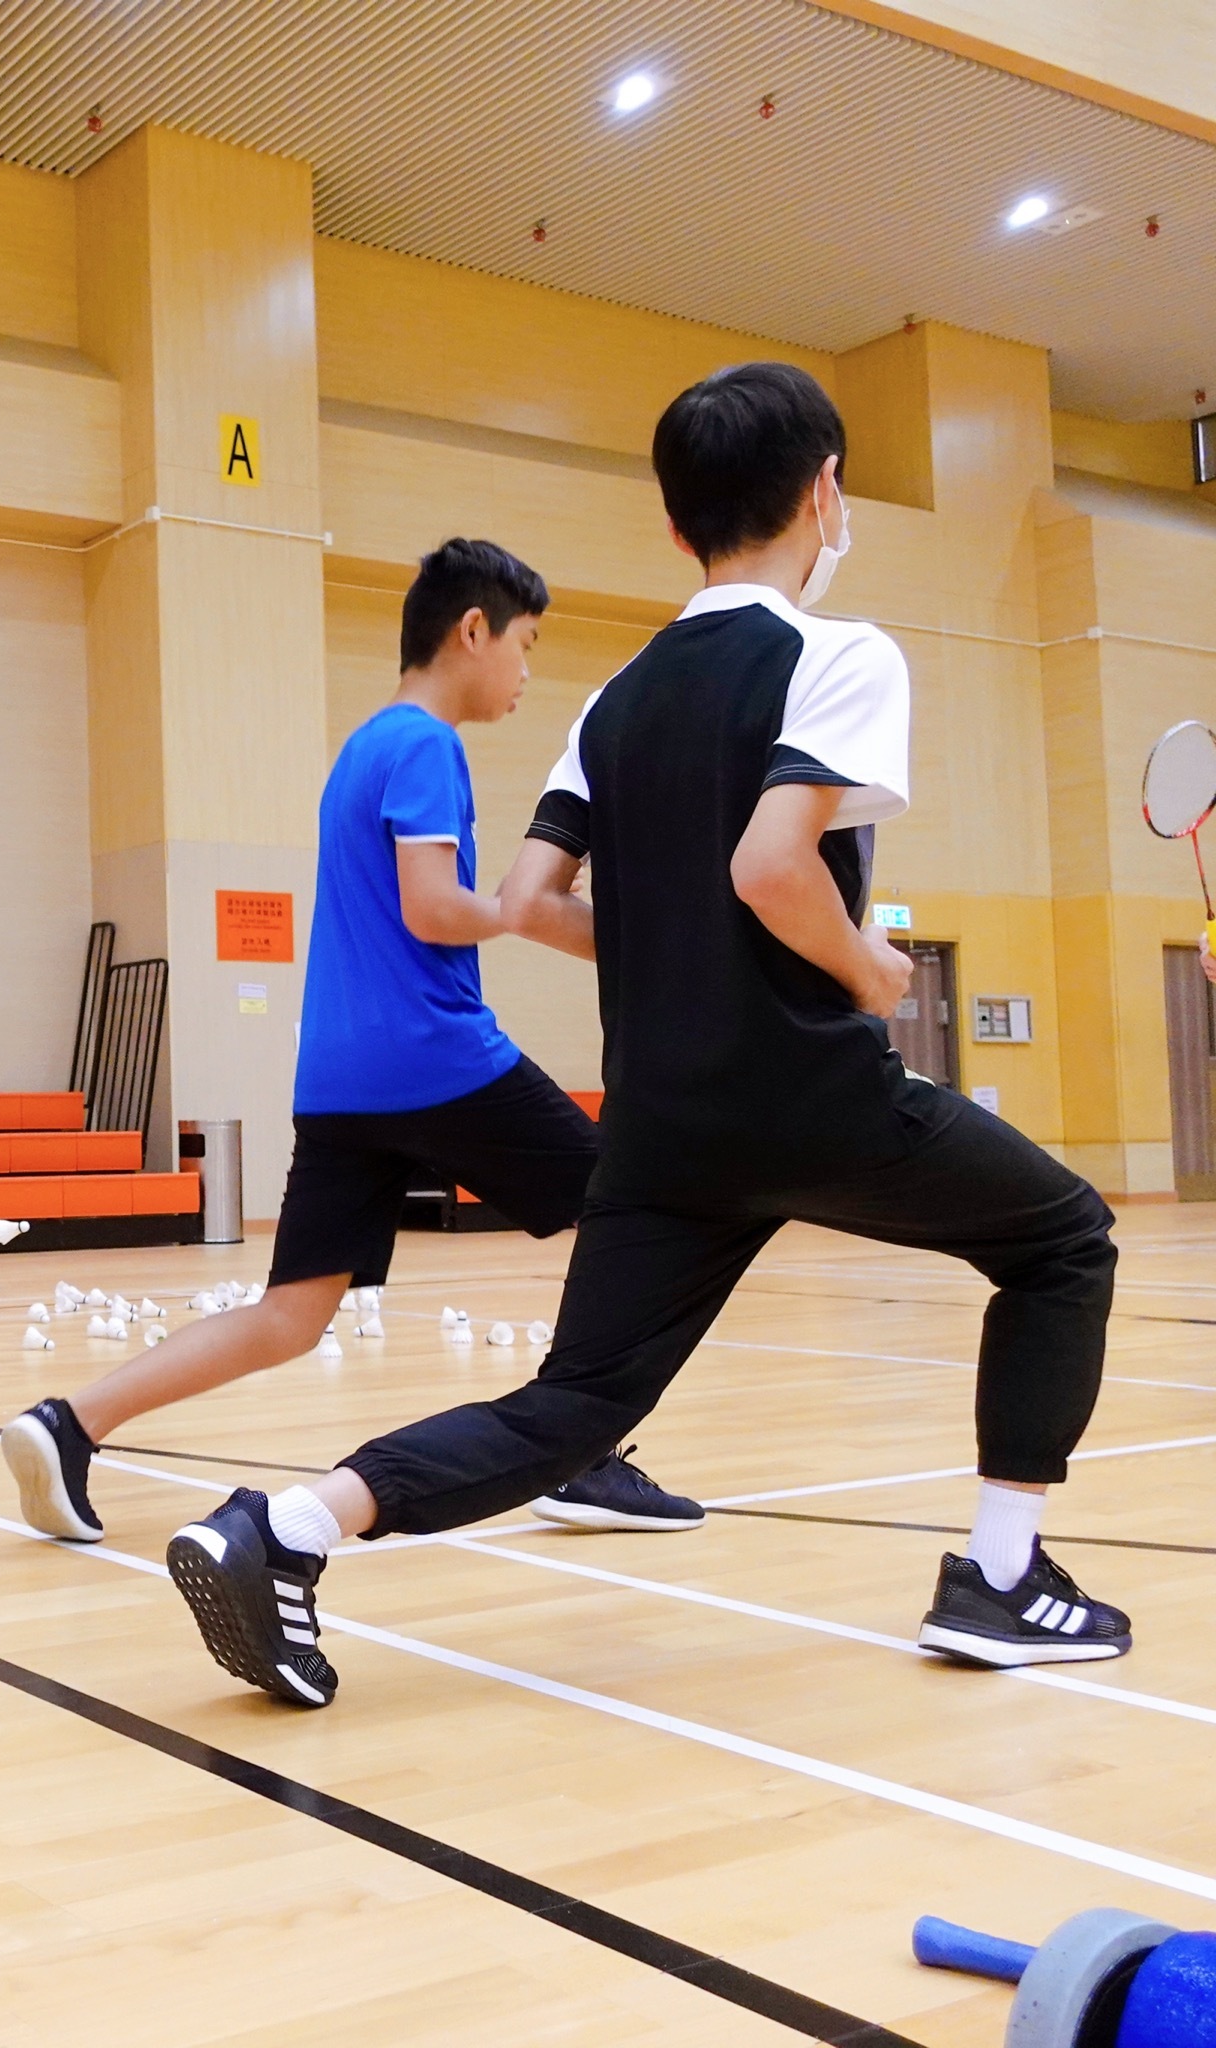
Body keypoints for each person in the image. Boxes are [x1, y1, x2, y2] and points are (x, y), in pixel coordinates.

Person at [165, 363, 1128, 1709]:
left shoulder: (610, 700)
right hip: (810, 1095)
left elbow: (527, 901)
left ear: (677, 527)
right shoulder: (838, 656)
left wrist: (672, 950)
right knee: (1064, 1240)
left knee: (574, 1405)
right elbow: (771, 866)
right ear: (825, 491)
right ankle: (1002, 1578)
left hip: (662, 1121)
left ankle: (285, 1528)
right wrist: (866, 967)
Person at [1, 539, 700, 1544]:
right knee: (624, 1208)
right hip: (433, 1057)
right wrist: (521, 907)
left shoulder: (363, 749)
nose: (526, 671)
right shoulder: (426, 745)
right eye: (526, 644)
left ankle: (69, 1422)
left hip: (338, 1077)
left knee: (290, 1313)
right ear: (473, 631)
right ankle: (576, 1450)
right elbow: (431, 907)